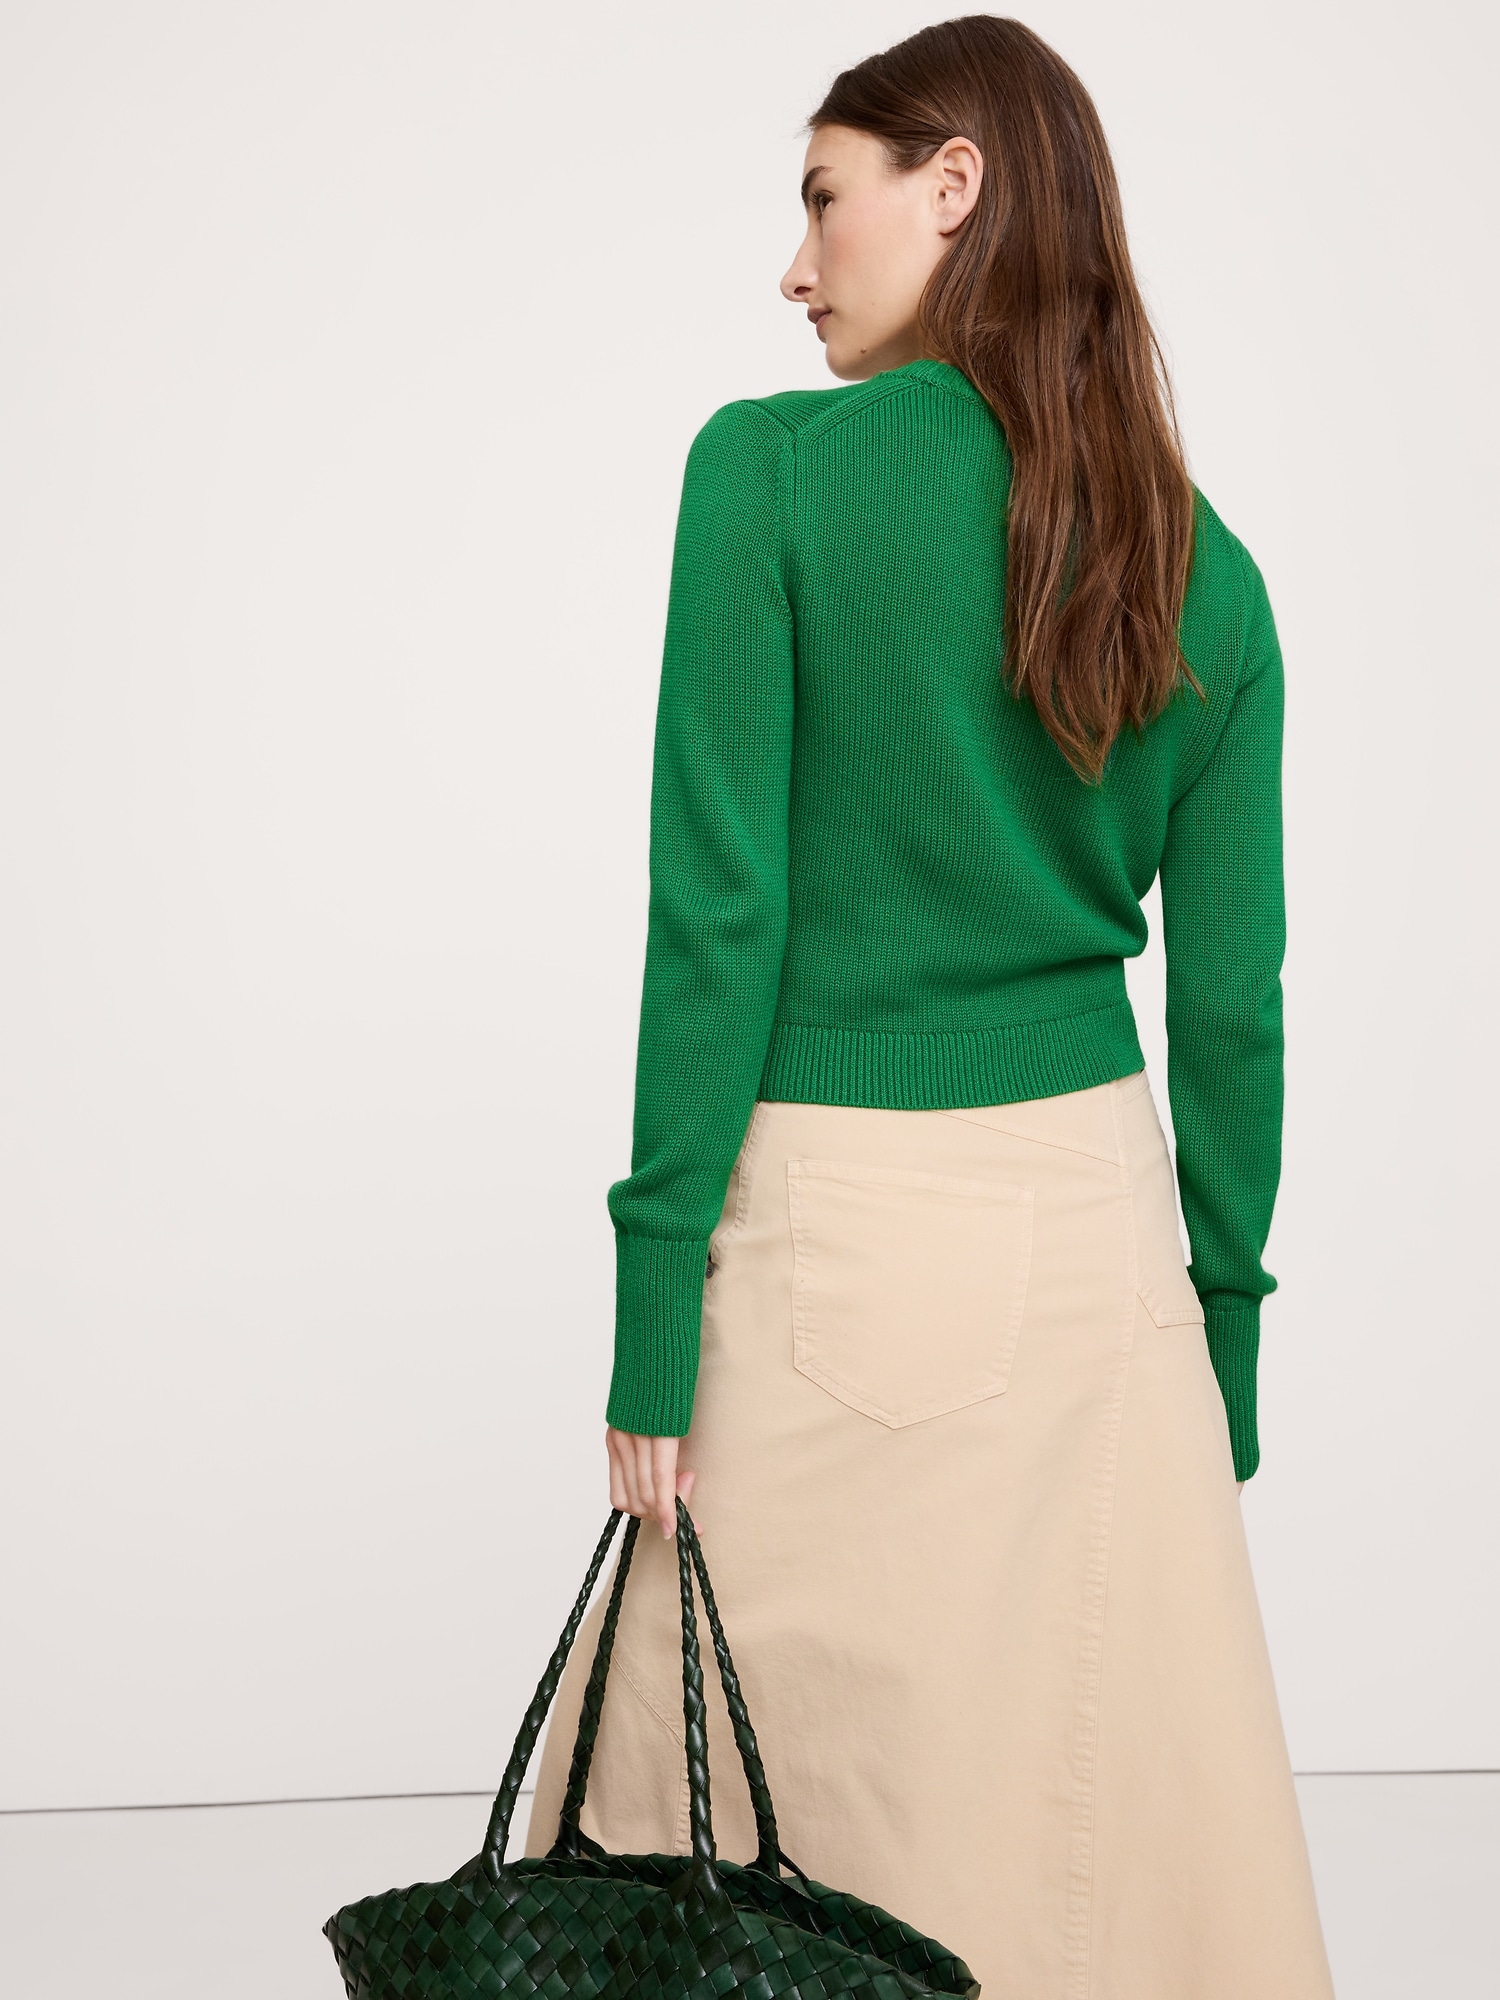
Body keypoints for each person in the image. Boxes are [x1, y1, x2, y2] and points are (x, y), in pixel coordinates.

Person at [525, 16, 1335, 1996]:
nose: (794, 267)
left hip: (826, 1222)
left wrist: (653, 1304)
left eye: (825, 199)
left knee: (727, 1850)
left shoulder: (767, 478)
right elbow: (1234, 1012)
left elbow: (718, 917)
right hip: (1096, 1256)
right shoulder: (1208, 576)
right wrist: (1220, 1344)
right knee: (1092, 1859)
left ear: (952, 186)